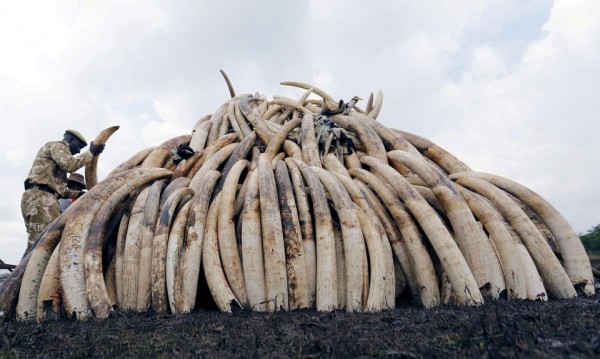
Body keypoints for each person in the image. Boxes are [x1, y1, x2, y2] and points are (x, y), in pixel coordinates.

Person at [21, 129, 105, 254]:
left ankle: (23, 272)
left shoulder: (53, 168)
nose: (78, 151)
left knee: (37, 240)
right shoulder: (57, 146)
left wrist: (81, 195)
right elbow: (70, 165)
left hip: (39, 198)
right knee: (45, 241)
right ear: (70, 140)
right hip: (41, 199)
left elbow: (61, 191)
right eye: (79, 146)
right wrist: (91, 153)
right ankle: (27, 273)